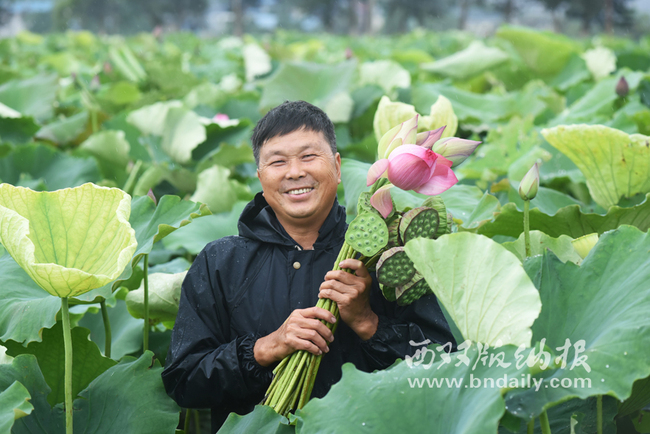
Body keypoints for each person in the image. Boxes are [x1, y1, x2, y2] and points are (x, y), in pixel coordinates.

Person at [161, 100, 455, 433]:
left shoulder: (391, 256)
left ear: (338, 167)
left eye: (308, 156)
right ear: (260, 176)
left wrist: (368, 322)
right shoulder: (220, 262)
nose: (295, 172)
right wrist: (267, 347)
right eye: (278, 162)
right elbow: (184, 381)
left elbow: (447, 368)